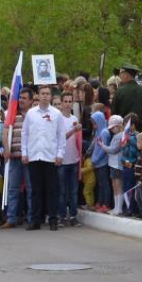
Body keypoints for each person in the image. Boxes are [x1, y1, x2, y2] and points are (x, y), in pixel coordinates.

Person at [21, 85, 66, 231]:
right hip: (34, 156)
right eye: (43, 93)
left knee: (52, 190)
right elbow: (25, 134)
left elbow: (61, 135)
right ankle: (35, 220)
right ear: (38, 96)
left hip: (50, 157)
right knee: (35, 191)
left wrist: (60, 154)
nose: (45, 96)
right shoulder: (31, 114)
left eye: (48, 94)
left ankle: (53, 220)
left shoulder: (56, 114)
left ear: (51, 96)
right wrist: (24, 152)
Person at [1, 88, 33, 229]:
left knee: (31, 190)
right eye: (20, 97)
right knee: (13, 189)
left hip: (30, 158)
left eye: (24, 98)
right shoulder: (12, 114)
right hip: (14, 157)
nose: (21, 100)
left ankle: (32, 218)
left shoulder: (34, 115)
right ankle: (11, 218)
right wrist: (6, 150)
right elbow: (5, 132)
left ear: (31, 100)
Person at [58, 92, 82, 227]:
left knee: (73, 191)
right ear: (61, 103)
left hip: (74, 159)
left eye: (69, 101)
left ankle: (73, 215)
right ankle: (62, 216)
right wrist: (73, 130)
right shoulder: (58, 119)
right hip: (62, 160)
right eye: (65, 101)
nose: (67, 104)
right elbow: (60, 139)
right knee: (62, 191)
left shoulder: (74, 118)